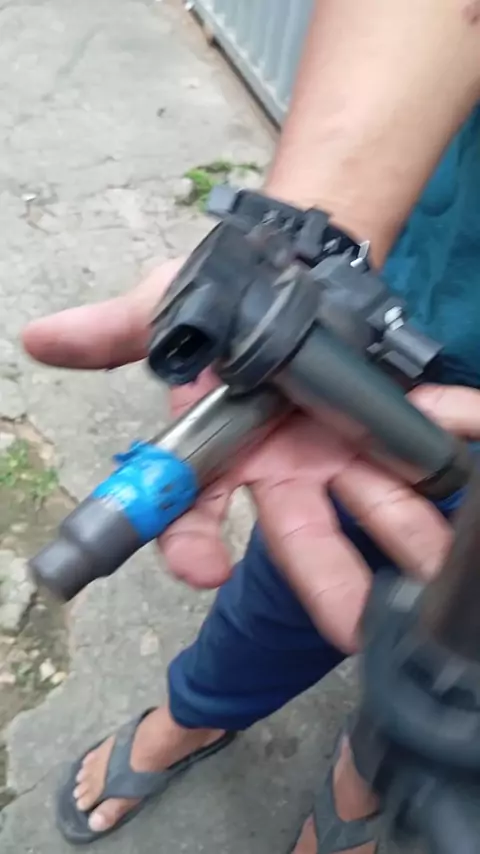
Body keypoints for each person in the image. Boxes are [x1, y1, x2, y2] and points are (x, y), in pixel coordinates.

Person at [22, 1, 480, 851]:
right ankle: (200, 711)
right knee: (298, 591)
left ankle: (366, 777)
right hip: (430, 336)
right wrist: (301, 239)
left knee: (457, 673)